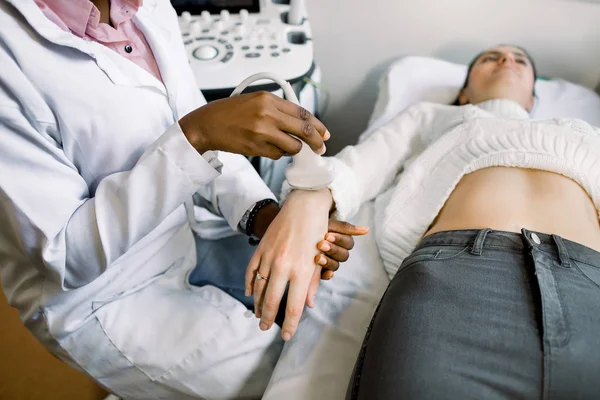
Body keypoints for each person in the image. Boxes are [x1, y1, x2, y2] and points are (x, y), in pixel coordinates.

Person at [0, 0, 368, 398]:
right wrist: (196, 135)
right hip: (100, 297)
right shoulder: (10, 57)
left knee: (336, 312)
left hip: (178, 237)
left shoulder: (145, 8)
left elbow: (189, 124)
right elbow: (65, 255)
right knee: (299, 380)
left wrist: (268, 217)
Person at [251, 45, 600, 398]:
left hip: (589, 292)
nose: (506, 60)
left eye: (520, 60)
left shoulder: (582, 132)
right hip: (456, 286)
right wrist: (308, 199)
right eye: (489, 58)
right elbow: (356, 169)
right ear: (464, 92)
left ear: (533, 98)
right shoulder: (431, 117)